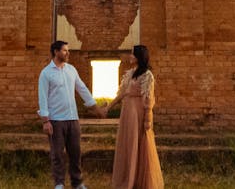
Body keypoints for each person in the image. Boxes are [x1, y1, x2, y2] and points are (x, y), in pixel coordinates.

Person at [38, 40, 105, 189]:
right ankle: (59, 184)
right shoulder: (46, 73)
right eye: (64, 50)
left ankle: (77, 183)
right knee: (57, 155)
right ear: (56, 52)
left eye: (68, 50)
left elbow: (82, 89)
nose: (68, 53)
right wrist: (45, 121)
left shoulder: (71, 70)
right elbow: (42, 98)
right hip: (56, 120)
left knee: (75, 153)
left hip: (73, 119)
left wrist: (96, 109)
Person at [106, 45, 164, 189]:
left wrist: (148, 118)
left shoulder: (147, 75)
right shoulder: (130, 73)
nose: (130, 56)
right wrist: (108, 108)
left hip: (137, 113)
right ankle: (128, 179)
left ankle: (137, 181)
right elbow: (121, 94)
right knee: (128, 143)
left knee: (137, 143)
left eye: (132, 54)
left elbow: (148, 98)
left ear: (139, 56)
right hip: (127, 112)